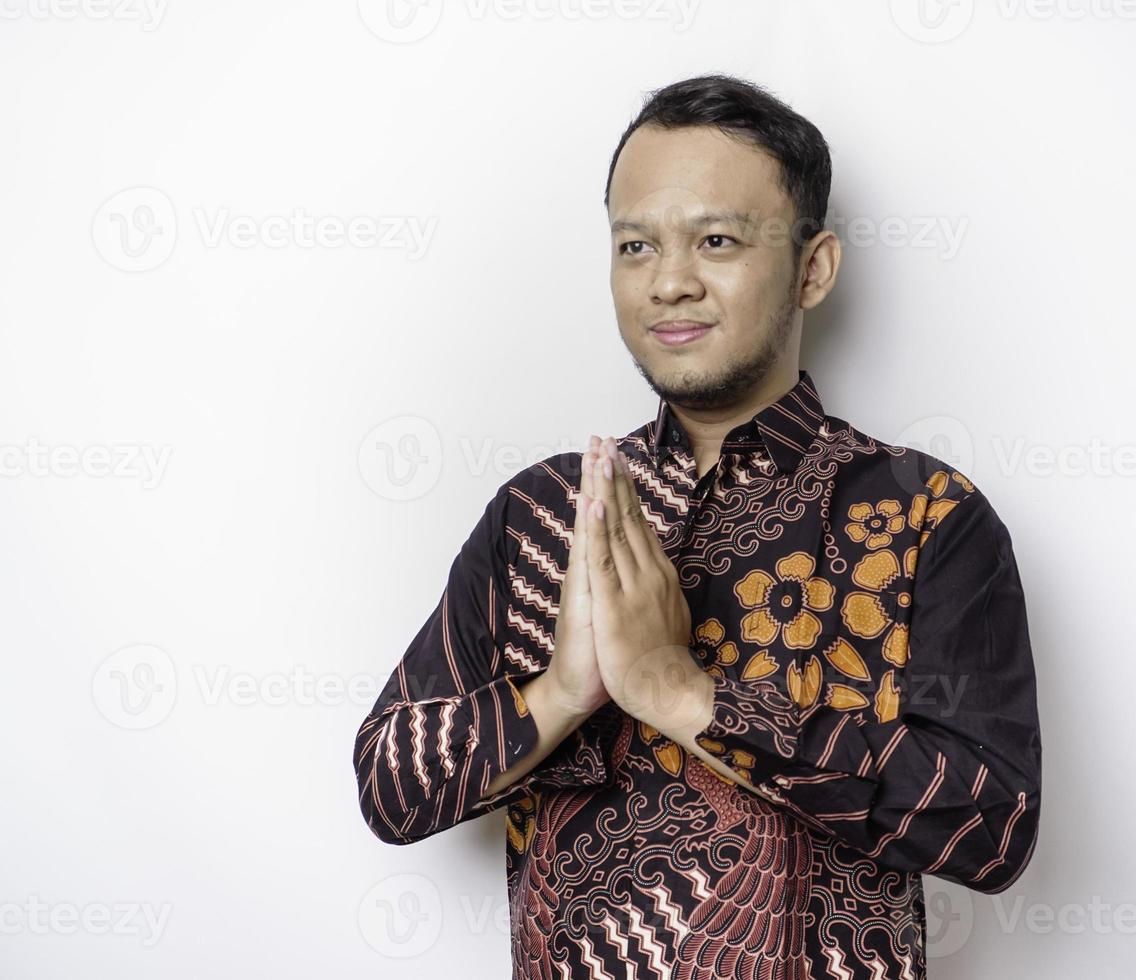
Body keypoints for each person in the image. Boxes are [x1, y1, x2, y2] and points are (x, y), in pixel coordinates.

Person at [353, 72, 1042, 979]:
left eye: (716, 240)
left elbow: (994, 829)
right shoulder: (546, 514)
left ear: (812, 268)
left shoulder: (923, 518)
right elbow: (391, 789)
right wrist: (562, 693)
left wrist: (687, 696)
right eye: (635, 245)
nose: (670, 281)